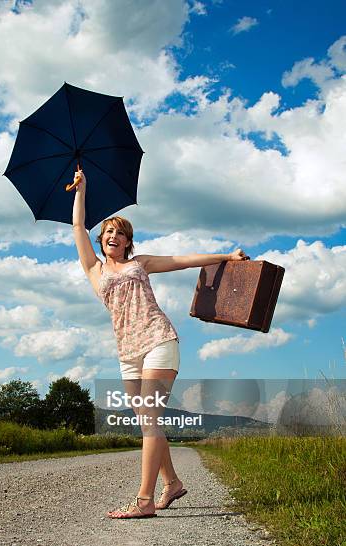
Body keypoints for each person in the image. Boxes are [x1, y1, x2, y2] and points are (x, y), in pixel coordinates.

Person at [72, 168, 249, 519]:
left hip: (158, 339)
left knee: (151, 419)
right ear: (102, 239)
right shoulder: (94, 271)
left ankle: (144, 499)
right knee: (146, 422)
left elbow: (182, 260)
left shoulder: (141, 264)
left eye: (120, 234)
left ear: (128, 242)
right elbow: (78, 227)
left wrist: (225, 257)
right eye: (109, 231)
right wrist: (82, 190)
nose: (114, 237)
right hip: (127, 353)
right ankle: (172, 483)